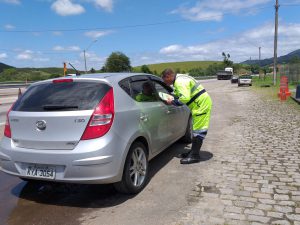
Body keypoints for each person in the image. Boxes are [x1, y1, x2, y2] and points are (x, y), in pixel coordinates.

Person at [161, 69, 212, 164]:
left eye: (164, 80)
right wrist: (172, 96)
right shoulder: (180, 78)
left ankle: (194, 156)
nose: (165, 83)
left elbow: (185, 98)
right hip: (200, 104)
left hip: (201, 105)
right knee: (196, 130)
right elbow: (180, 93)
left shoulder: (180, 82)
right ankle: (193, 152)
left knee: (199, 131)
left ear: (168, 76)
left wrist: (172, 102)